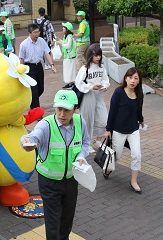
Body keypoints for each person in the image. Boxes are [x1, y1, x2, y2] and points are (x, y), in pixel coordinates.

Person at [20, 89, 90, 240]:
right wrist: (27, 142)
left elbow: (85, 143)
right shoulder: (46, 124)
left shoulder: (80, 122)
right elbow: (33, 136)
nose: (62, 114)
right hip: (49, 182)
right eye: (59, 109)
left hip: (71, 180)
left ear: (75, 109)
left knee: (67, 218)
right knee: (53, 221)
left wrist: (81, 156)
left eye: (67, 110)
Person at [104, 67, 144, 192]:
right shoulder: (118, 92)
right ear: (125, 78)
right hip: (118, 130)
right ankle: (108, 167)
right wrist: (108, 129)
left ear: (138, 81)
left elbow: (138, 110)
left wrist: (141, 120)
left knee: (137, 155)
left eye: (135, 78)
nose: (132, 80)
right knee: (116, 156)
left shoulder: (139, 94)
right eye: (130, 77)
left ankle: (134, 181)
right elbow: (112, 112)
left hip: (133, 129)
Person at [75, 44, 110, 153]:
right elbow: (78, 83)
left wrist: (104, 86)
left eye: (99, 55)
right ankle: (87, 143)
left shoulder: (101, 67)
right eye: (95, 55)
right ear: (90, 56)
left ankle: (98, 140)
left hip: (99, 96)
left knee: (103, 119)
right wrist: (91, 87)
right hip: (88, 96)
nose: (98, 58)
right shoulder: (85, 68)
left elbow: (105, 79)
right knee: (87, 120)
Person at [19, 23, 56, 109]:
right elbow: (21, 59)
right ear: (29, 33)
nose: (37, 34)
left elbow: (47, 53)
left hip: (39, 66)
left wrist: (52, 65)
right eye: (35, 32)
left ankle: (31, 101)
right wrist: (22, 72)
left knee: (41, 88)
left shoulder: (41, 41)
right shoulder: (24, 44)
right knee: (34, 90)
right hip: (29, 68)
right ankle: (36, 111)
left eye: (38, 32)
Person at [56, 22, 76, 88]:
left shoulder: (69, 36)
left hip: (70, 57)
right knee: (68, 70)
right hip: (67, 56)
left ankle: (71, 83)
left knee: (69, 70)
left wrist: (61, 43)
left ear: (67, 29)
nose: (62, 28)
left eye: (64, 27)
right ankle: (70, 82)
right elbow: (66, 43)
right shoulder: (66, 36)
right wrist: (60, 41)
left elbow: (68, 46)